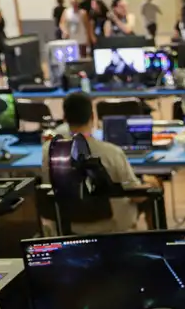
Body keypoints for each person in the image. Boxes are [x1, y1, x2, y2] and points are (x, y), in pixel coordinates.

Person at [42, 92, 144, 233]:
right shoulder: (112, 152)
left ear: (65, 118)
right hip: (111, 227)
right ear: (93, 117)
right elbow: (137, 195)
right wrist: (151, 184)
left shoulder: (48, 151)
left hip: (65, 225)